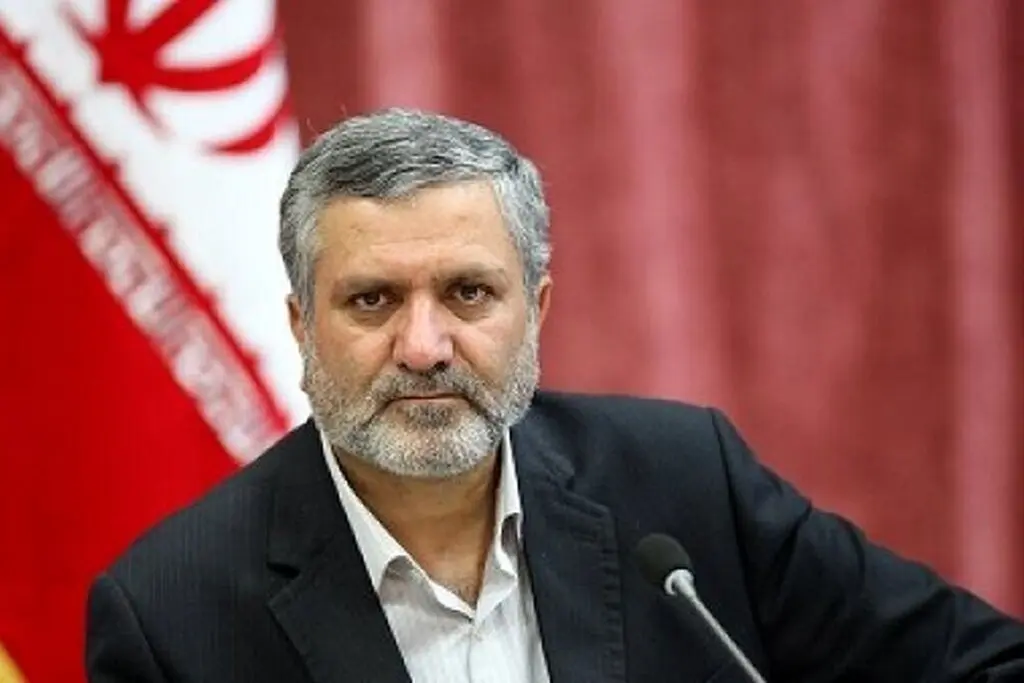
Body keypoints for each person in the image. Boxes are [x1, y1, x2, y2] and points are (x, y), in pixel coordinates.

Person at [86, 108, 1024, 683]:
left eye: (468, 292)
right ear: (301, 326)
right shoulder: (172, 614)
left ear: (534, 310)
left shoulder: (685, 488)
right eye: (372, 300)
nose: (424, 347)